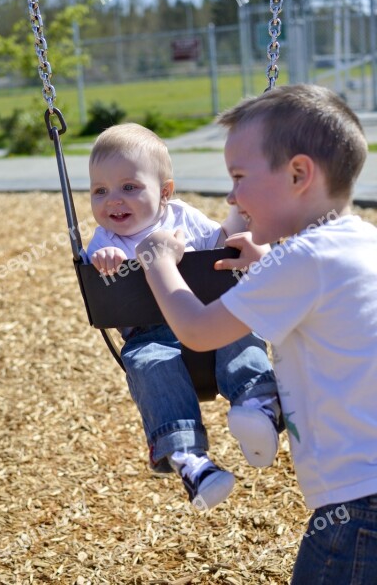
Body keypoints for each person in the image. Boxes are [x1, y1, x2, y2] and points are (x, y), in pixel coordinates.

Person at [135, 84, 377, 583]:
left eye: (240, 177)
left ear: (298, 174)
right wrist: (268, 265)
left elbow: (199, 330)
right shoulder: (360, 241)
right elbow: (329, 303)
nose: (231, 196)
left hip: (358, 503)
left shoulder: (301, 259)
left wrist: (159, 263)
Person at [86, 123, 282, 511]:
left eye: (129, 187)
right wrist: (103, 260)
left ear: (165, 192)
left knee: (241, 330)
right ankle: (190, 461)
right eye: (100, 190)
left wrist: (246, 227)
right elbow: (96, 265)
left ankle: (257, 404)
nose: (114, 201)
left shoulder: (182, 217)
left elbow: (218, 244)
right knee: (146, 362)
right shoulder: (105, 239)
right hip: (149, 333)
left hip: (210, 316)